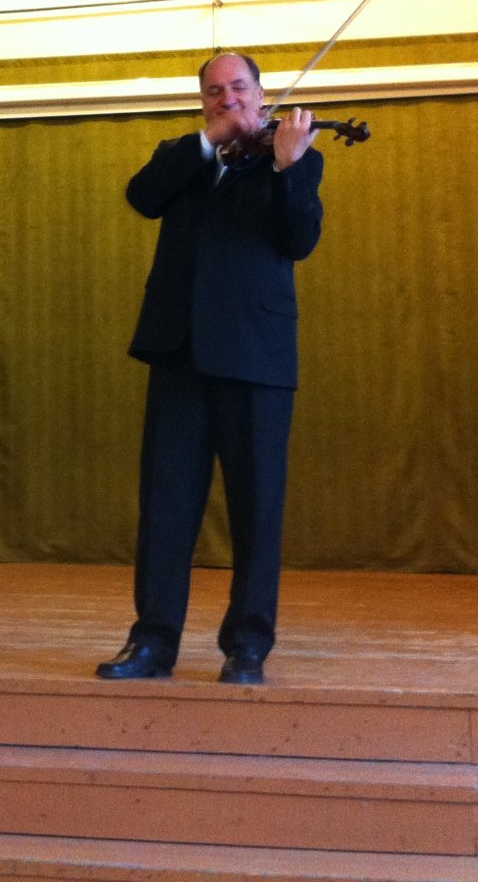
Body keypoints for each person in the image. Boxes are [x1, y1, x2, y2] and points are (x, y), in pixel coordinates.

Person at [96, 51, 324, 685]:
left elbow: (299, 239)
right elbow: (142, 197)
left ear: (261, 92)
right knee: (165, 505)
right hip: (180, 352)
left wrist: (286, 167)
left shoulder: (296, 156)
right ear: (204, 102)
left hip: (256, 356)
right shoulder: (183, 155)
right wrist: (206, 143)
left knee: (256, 507)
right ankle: (152, 642)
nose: (229, 99)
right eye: (216, 91)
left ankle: (247, 647)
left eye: (239, 87)